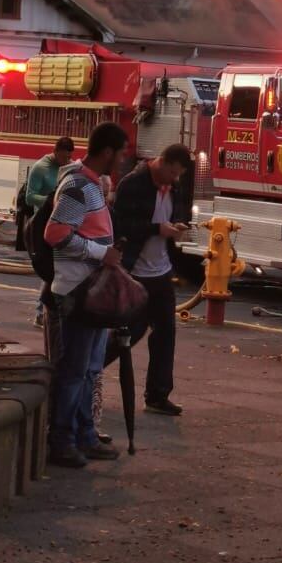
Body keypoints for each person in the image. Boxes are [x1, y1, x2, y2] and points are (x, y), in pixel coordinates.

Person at [43, 121, 128, 468]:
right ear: (107, 152)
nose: (122, 160)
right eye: (120, 153)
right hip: (76, 293)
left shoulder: (90, 184)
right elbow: (55, 234)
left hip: (89, 293)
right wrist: (100, 253)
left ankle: (83, 435)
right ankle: (62, 440)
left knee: (89, 369)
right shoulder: (78, 185)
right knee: (75, 370)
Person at [113, 143, 193, 417]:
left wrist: (177, 225)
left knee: (165, 333)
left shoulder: (174, 187)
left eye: (178, 175)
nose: (174, 179)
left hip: (161, 270)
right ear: (162, 162)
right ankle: (88, 374)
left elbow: (177, 213)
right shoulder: (132, 184)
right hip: (135, 271)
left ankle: (158, 395)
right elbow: (123, 226)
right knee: (129, 332)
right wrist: (157, 229)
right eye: (172, 173)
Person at [24, 136, 75, 328]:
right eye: (63, 157)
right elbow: (30, 197)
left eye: (69, 157)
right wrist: (52, 201)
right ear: (55, 152)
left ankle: (44, 311)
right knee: (52, 268)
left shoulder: (68, 167)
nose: (66, 160)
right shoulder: (41, 168)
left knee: (57, 268)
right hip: (43, 224)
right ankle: (41, 312)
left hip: (61, 222)